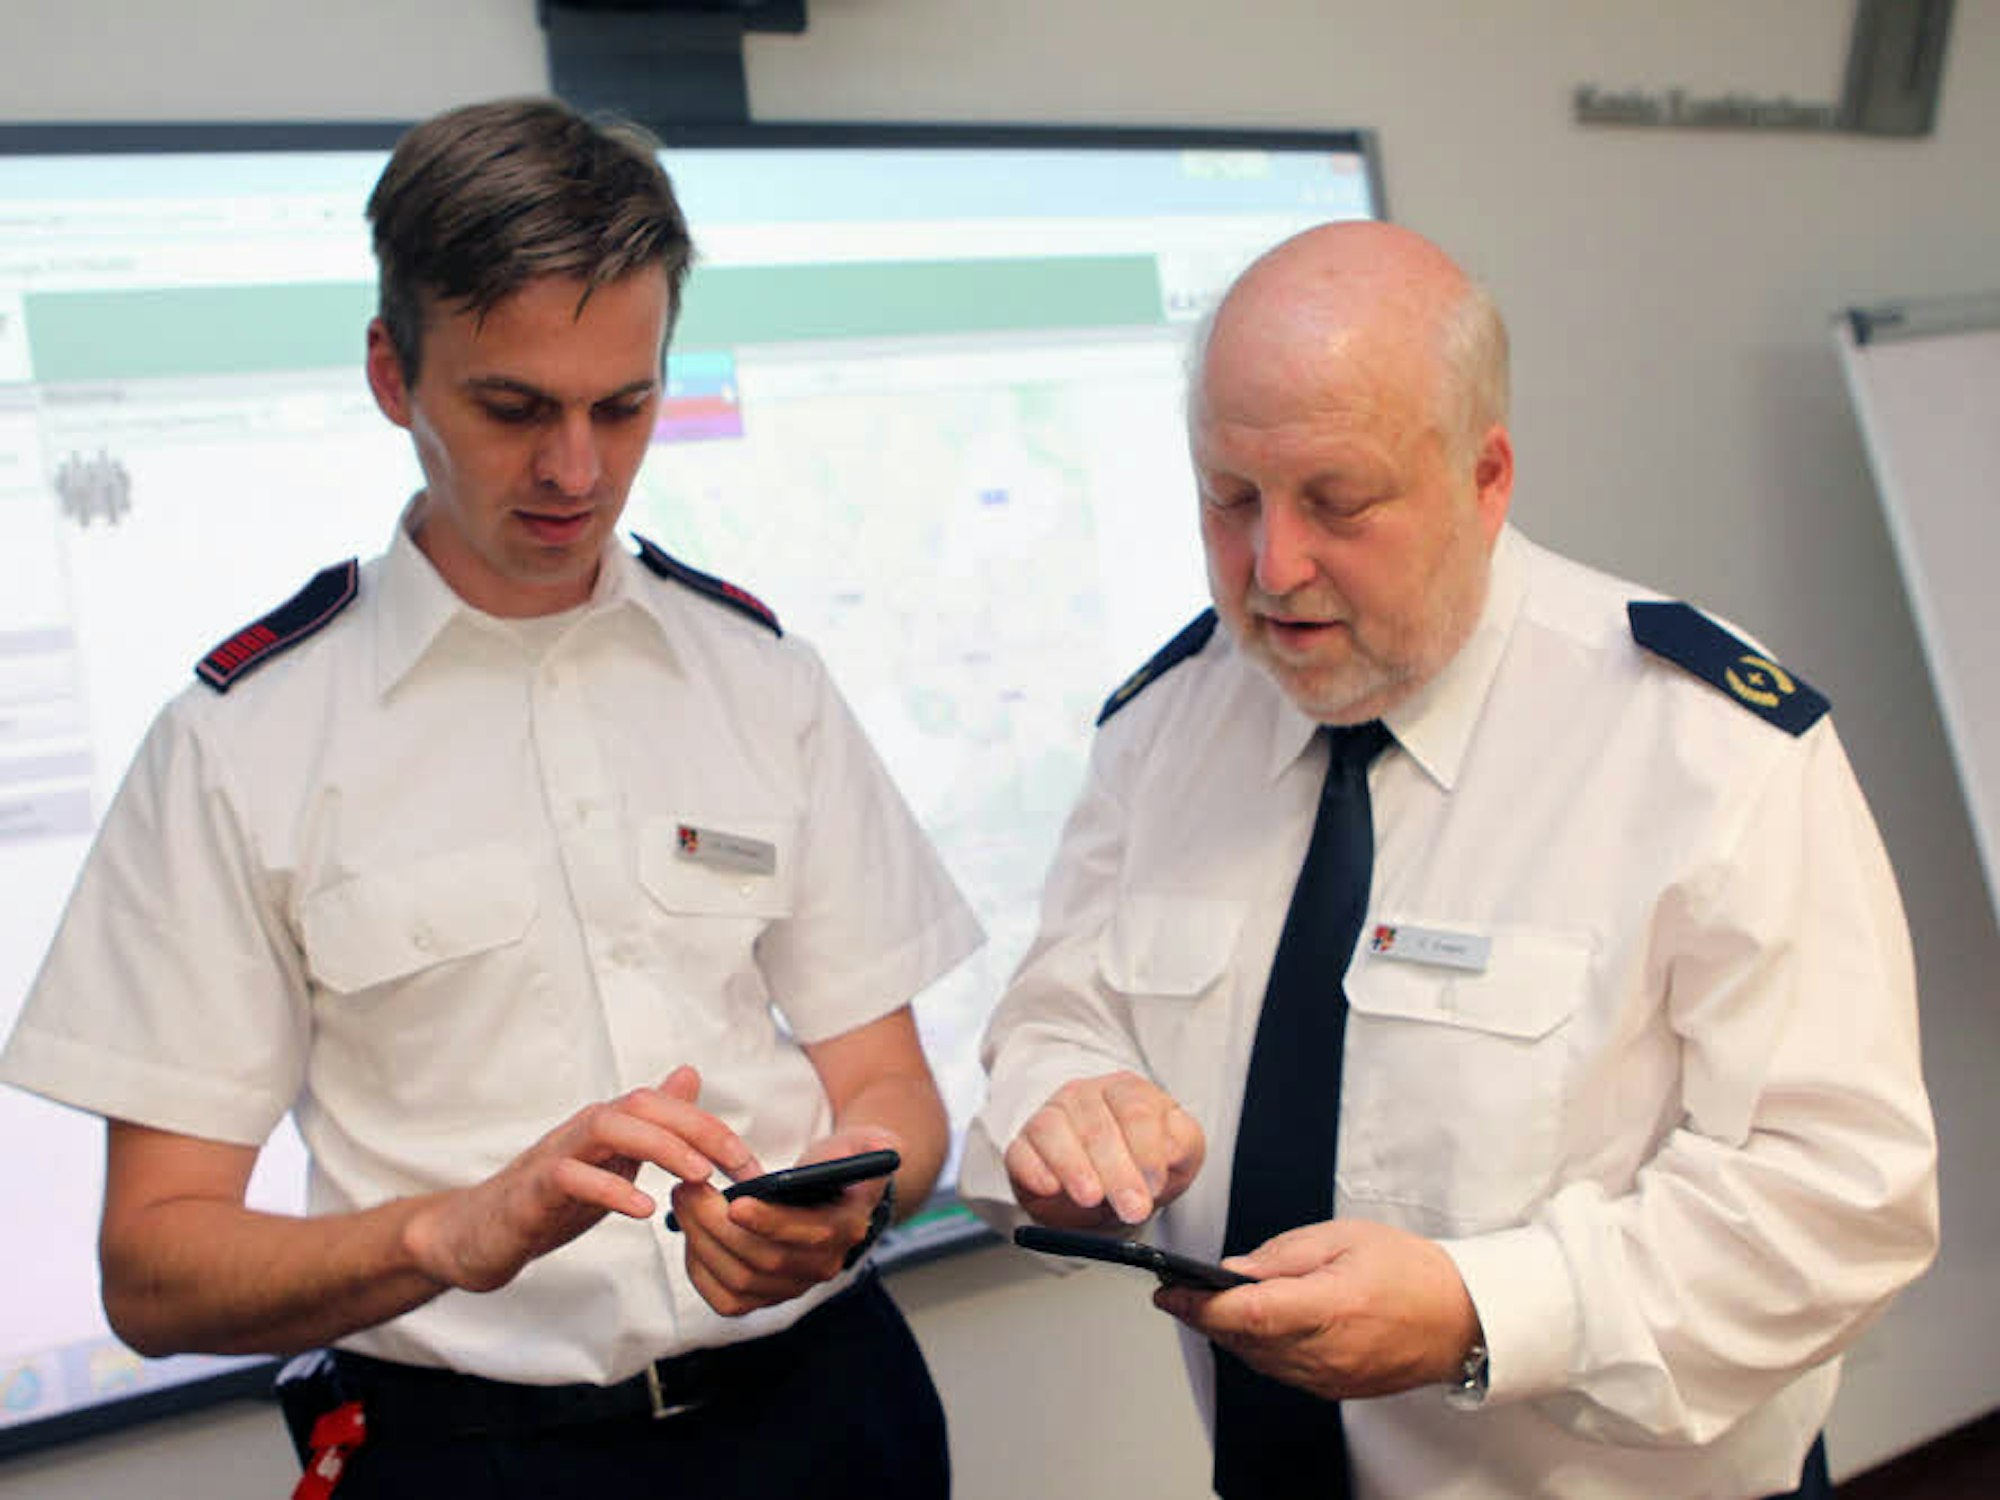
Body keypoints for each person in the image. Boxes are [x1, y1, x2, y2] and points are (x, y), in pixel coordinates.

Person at [0, 96, 982, 1499]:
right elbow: (153, 1267)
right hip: (473, 1454)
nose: (577, 471)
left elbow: (890, 1086)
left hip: (830, 1412)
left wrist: (851, 1190)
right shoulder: (239, 744)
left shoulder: (761, 675)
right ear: (392, 373)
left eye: (623, 406)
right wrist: (445, 1236)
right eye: (514, 408)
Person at [959, 219, 1938, 1499]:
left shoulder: (1702, 747)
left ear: (1484, 478)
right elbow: (1056, 1020)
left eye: (1336, 502)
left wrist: (1482, 1312)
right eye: (1229, 497)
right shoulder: (1163, 730)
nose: (1272, 567)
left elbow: (1839, 1197)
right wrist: (1067, 1117)